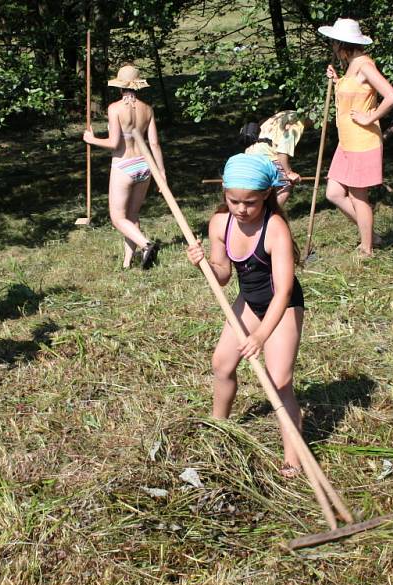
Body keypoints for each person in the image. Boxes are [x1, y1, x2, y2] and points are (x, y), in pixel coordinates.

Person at [185, 154, 305, 478]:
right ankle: (218, 425)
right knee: (222, 364)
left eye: (249, 202)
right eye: (233, 200)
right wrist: (205, 265)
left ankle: (293, 456)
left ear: (266, 194)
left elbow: (283, 291)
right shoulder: (219, 223)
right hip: (250, 302)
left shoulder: (275, 227)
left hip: (283, 306)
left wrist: (260, 336)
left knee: (279, 380)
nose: (241, 209)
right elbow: (223, 275)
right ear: (224, 191)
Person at [318, 19, 393, 258]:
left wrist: (369, 117)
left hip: (362, 142)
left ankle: (367, 247)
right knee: (333, 193)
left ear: (342, 44)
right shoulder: (352, 65)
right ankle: (369, 233)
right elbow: (354, 93)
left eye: (334, 41)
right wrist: (337, 80)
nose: (332, 45)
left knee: (357, 196)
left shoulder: (364, 66)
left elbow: (391, 96)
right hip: (347, 142)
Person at [83, 64, 165, 269]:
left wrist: (91, 139)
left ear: (120, 87)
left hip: (124, 165)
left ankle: (146, 245)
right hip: (145, 166)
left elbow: (114, 143)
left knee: (118, 218)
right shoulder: (147, 109)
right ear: (138, 86)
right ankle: (127, 263)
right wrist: (161, 173)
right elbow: (154, 143)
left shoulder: (115, 108)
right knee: (132, 215)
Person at [245, 110, 311, 206]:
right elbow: (282, 152)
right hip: (267, 157)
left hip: (249, 155)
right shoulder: (297, 123)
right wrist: (289, 173)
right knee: (286, 184)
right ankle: (270, 216)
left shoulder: (284, 114)